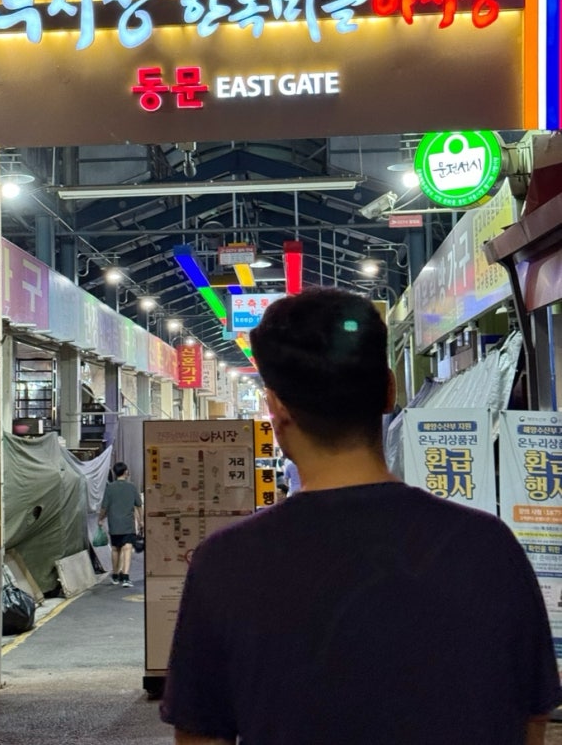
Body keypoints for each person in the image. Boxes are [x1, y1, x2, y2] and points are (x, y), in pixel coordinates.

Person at [161, 287, 561, 745]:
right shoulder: (488, 546)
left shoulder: (226, 562)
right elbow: (531, 723)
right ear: (390, 390)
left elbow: (201, 737)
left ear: (275, 408)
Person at [98, 461, 143, 588]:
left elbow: (104, 507)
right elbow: (139, 505)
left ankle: (115, 575)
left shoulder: (110, 488)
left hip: (114, 523)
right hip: (128, 523)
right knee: (127, 548)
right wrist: (141, 520)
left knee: (115, 548)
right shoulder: (131, 487)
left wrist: (100, 519)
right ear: (126, 472)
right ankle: (126, 577)